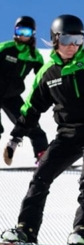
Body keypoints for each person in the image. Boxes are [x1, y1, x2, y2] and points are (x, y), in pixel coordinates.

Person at [1, 14, 84, 245]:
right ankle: (26, 229)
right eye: (67, 39)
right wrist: (15, 138)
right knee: (39, 179)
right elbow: (31, 109)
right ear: (55, 39)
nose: (72, 46)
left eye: (78, 40)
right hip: (66, 135)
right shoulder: (48, 73)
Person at [0, 16, 48, 163]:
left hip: (12, 96)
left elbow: (43, 78)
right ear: (15, 32)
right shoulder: (5, 48)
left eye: (27, 32)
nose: (23, 35)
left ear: (33, 34)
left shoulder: (34, 56)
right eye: (20, 31)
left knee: (29, 122)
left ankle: (43, 156)